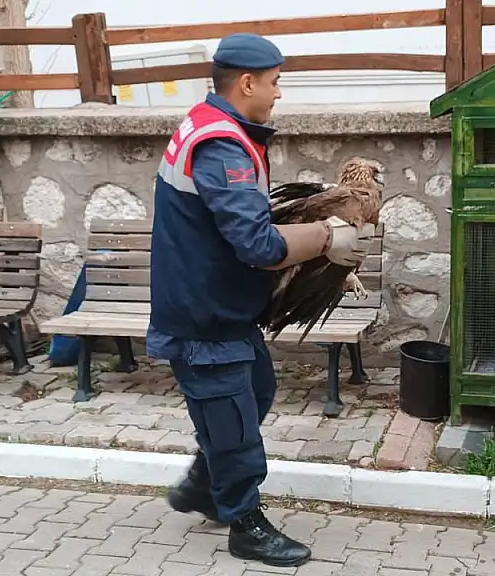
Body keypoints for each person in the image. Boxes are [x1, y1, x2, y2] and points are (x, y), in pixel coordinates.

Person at [147, 33, 374, 567]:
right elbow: (257, 244)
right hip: (204, 317)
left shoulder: (213, 126)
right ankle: (245, 523)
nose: (278, 93)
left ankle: (203, 485)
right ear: (247, 83)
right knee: (233, 423)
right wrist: (327, 236)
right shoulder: (221, 145)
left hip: (220, 307)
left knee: (256, 390)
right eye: (274, 83)